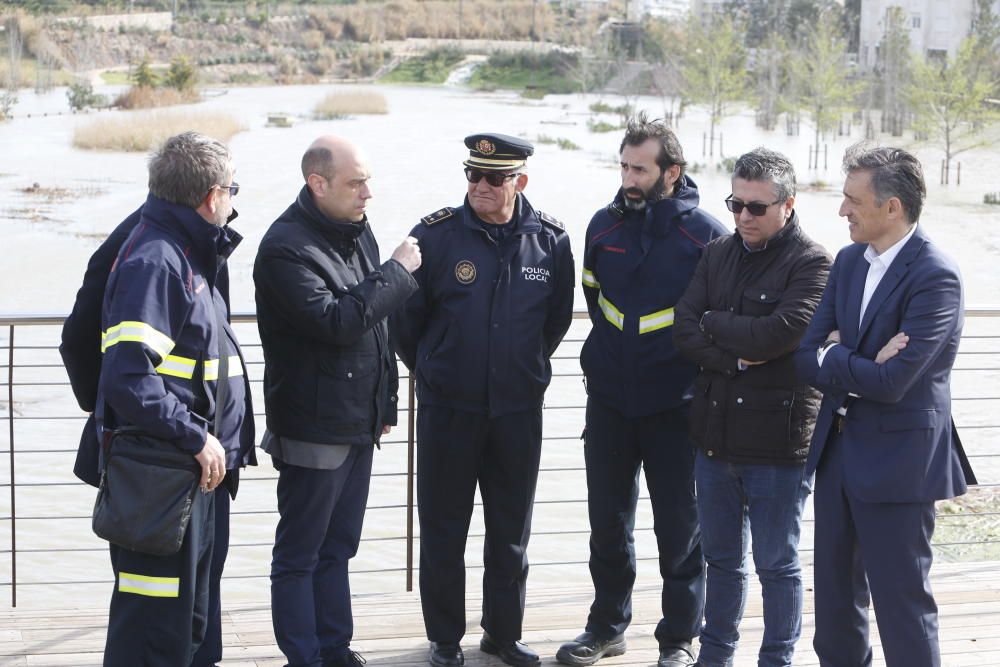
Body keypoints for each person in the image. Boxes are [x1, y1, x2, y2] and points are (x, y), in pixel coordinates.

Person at [390, 133, 574, 667]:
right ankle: (444, 640)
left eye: (495, 178)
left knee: (510, 533)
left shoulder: (552, 240)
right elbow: (407, 323)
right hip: (449, 411)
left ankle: (502, 634)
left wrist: (524, 371)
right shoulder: (435, 236)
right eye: (473, 175)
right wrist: (435, 370)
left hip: (517, 412)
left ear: (520, 181)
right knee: (445, 531)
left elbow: (555, 322)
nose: (481, 186)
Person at [795, 144, 976, 666]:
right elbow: (806, 358)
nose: (842, 210)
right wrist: (855, 359)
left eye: (853, 199)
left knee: (902, 606)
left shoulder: (936, 275)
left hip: (900, 465)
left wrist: (837, 354)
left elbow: (895, 381)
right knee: (833, 607)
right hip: (837, 457)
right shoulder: (849, 261)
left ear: (892, 206)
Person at [556, 112, 726, 667]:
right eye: (624, 166)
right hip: (608, 402)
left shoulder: (705, 235)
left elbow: (722, 321)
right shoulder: (602, 227)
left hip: (676, 407)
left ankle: (679, 637)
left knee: (681, 530)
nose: (628, 179)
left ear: (671, 172)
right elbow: (592, 296)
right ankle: (606, 627)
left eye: (640, 169)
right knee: (607, 525)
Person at [254, 135, 421, 667]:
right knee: (300, 553)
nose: (368, 192)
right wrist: (397, 272)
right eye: (356, 182)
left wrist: (385, 407)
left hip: (357, 424)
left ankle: (334, 649)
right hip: (311, 427)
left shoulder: (354, 229)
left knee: (340, 546)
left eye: (368, 179)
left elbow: (379, 331)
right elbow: (338, 322)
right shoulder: (284, 249)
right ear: (317, 183)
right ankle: (303, 657)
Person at [61, 204, 250, 667]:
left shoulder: (194, 247)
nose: (234, 205)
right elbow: (122, 371)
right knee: (152, 624)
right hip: (160, 472)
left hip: (199, 468)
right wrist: (123, 426)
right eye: (231, 190)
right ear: (208, 195)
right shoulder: (156, 256)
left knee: (191, 621)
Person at [673, 147, 831, 667]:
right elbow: (683, 327)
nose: (743, 216)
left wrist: (716, 324)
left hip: (778, 445)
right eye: (736, 203)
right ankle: (714, 656)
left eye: (756, 207)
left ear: (788, 204)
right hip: (714, 438)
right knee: (720, 561)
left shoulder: (812, 262)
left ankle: (777, 660)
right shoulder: (717, 252)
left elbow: (779, 334)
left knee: (776, 564)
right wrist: (737, 357)